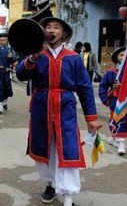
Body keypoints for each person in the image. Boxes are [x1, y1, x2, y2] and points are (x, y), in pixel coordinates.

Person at [16, 16, 100, 206]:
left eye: (56, 27)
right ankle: (50, 184)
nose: (52, 30)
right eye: (48, 27)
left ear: (64, 33)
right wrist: (32, 58)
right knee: (45, 147)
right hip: (41, 108)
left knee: (68, 149)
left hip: (65, 108)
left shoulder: (73, 58)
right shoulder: (37, 54)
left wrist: (91, 117)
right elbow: (21, 74)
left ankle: (69, 197)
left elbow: (85, 87)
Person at [98, 46, 127, 156]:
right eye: (121, 55)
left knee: (124, 121)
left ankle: (113, 138)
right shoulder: (110, 73)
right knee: (117, 120)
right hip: (114, 101)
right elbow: (102, 87)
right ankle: (121, 144)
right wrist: (105, 100)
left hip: (126, 101)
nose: (123, 57)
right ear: (116, 57)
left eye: (125, 54)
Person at [0, 32, 17, 114]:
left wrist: (11, 57)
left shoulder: (10, 49)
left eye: (4, 40)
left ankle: (4, 103)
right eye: (1, 40)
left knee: (6, 89)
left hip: (6, 72)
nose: (2, 42)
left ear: (7, 40)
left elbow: (15, 59)